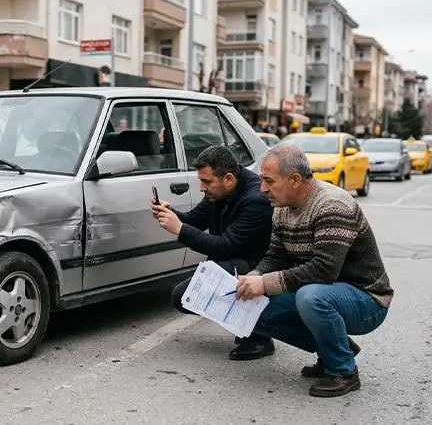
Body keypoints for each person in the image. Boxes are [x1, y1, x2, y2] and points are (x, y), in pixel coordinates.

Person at [234, 144, 393, 397]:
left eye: (268, 181)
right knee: (252, 309)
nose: (262, 188)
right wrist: (253, 279)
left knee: (311, 297)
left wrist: (265, 284)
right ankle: (337, 349)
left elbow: (324, 271)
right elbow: (275, 257)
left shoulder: (331, 205)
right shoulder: (281, 208)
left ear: (295, 180)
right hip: (323, 292)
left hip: (367, 300)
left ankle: (343, 371)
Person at [150, 145, 275, 360]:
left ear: (228, 178)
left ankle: (259, 336)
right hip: (233, 261)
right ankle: (244, 325)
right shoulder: (219, 192)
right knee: (183, 298)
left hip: (258, 267)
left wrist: (179, 229)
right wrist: (170, 214)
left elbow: (225, 245)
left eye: (206, 182)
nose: (201, 188)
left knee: (188, 295)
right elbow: (195, 219)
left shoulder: (256, 200)